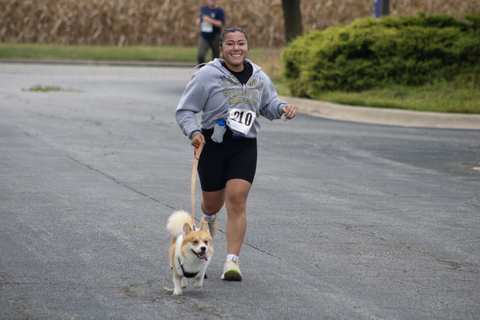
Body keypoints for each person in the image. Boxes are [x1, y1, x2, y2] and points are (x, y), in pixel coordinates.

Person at [176, 27, 297, 281]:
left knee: (237, 199)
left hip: (244, 145)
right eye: (230, 44)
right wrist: (194, 132)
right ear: (221, 49)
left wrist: (283, 107)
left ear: (247, 48)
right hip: (212, 145)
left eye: (241, 43)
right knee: (212, 204)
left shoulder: (259, 76)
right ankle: (209, 218)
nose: (236, 48)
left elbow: (268, 104)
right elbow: (185, 110)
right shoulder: (207, 75)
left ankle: (232, 262)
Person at [196, 0, 225, 64]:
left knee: (216, 57)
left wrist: (210, 20)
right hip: (204, 36)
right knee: (200, 55)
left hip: (215, 36)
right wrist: (199, 21)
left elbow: (221, 24)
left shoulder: (219, 11)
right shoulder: (204, 9)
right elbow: (200, 19)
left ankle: (215, 71)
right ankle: (202, 70)